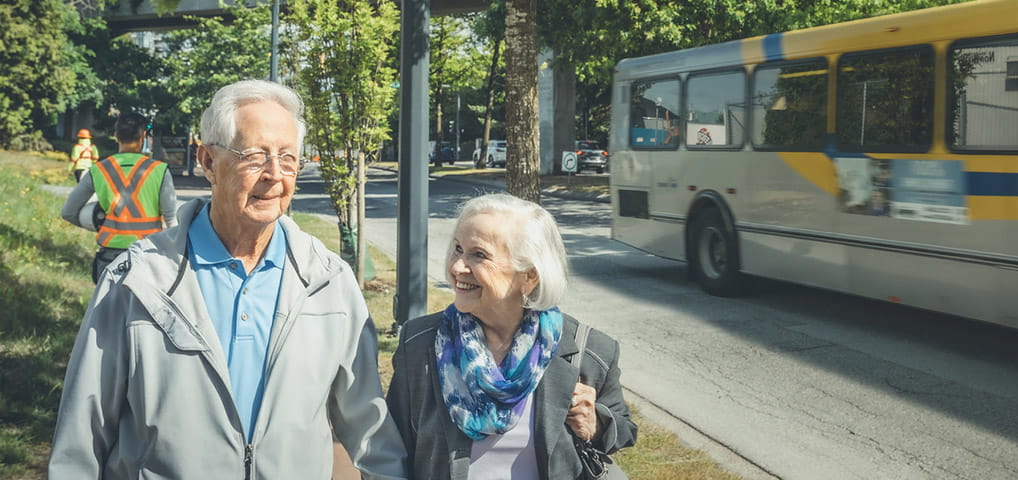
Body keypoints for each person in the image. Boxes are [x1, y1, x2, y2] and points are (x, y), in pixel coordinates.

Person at [48, 80, 408, 479]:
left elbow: (372, 433)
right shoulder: (135, 282)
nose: (275, 175)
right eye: (255, 157)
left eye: (288, 159)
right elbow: (81, 439)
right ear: (207, 161)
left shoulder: (329, 282)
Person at [386, 193, 637, 479]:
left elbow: (623, 431)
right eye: (458, 248)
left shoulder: (587, 350)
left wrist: (595, 424)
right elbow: (390, 450)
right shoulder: (419, 343)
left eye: (478, 254)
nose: (457, 267)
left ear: (529, 276)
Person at [60, 113, 177, 283]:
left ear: (116, 136)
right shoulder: (159, 171)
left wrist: (96, 222)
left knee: (107, 310)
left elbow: (68, 212)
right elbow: (172, 221)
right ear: (143, 136)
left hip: (110, 260)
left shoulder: (98, 170)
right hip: (148, 256)